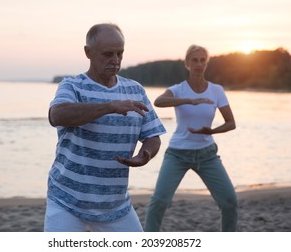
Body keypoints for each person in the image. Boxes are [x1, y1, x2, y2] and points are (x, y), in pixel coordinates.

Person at [44, 23, 166, 232]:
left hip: (115, 206)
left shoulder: (135, 90)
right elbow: (57, 115)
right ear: (88, 52)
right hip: (67, 200)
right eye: (108, 54)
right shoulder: (73, 86)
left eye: (120, 54)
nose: (116, 60)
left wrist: (144, 154)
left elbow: (152, 135)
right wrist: (110, 106)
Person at [144, 45, 238, 232]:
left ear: (206, 63)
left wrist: (211, 132)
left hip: (207, 155)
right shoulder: (178, 89)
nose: (199, 64)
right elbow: (158, 101)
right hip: (178, 154)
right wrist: (189, 100)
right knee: (160, 201)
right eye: (194, 60)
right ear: (187, 64)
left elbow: (231, 123)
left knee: (230, 203)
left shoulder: (216, 90)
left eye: (203, 60)